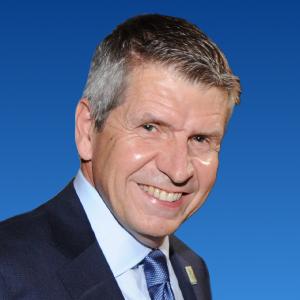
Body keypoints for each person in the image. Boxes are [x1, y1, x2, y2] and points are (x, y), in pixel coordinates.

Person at [0, 14, 240, 300]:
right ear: (87, 130)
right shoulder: (9, 271)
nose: (178, 170)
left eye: (200, 139)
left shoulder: (192, 269)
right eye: (150, 127)